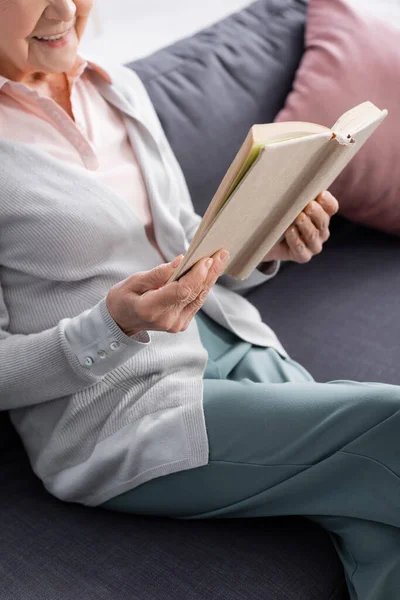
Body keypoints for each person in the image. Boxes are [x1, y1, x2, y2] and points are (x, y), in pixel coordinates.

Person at [0, 1, 399, 599]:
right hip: (120, 415)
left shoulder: (116, 88)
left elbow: (180, 241)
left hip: (232, 341)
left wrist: (268, 246)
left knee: (378, 525)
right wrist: (115, 323)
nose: (64, 8)